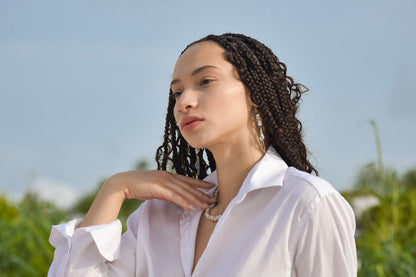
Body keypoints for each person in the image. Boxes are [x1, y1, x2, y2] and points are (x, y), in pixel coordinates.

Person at [48, 33, 357, 277]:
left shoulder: (307, 203)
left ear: (255, 94)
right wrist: (115, 189)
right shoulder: (158, 217)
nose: (184, 103)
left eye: (205, 81)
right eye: (177, 92)